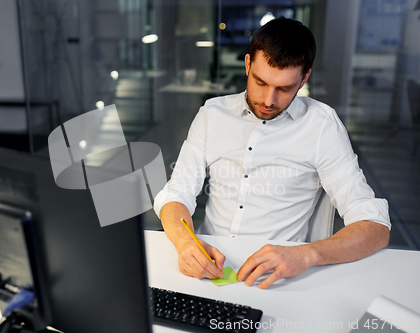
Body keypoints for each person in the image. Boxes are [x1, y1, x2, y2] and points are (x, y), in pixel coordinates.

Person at [153, 17, 391, 289]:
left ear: (304, 78)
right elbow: (177, 192)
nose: (269, 100)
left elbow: (374, 224)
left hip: (281, 277)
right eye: (261, 82)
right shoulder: (212, 115)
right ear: (247, 65)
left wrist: (309, 253)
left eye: (285, 88)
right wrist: (185, 243)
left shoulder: (322, 126)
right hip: (209, 267)